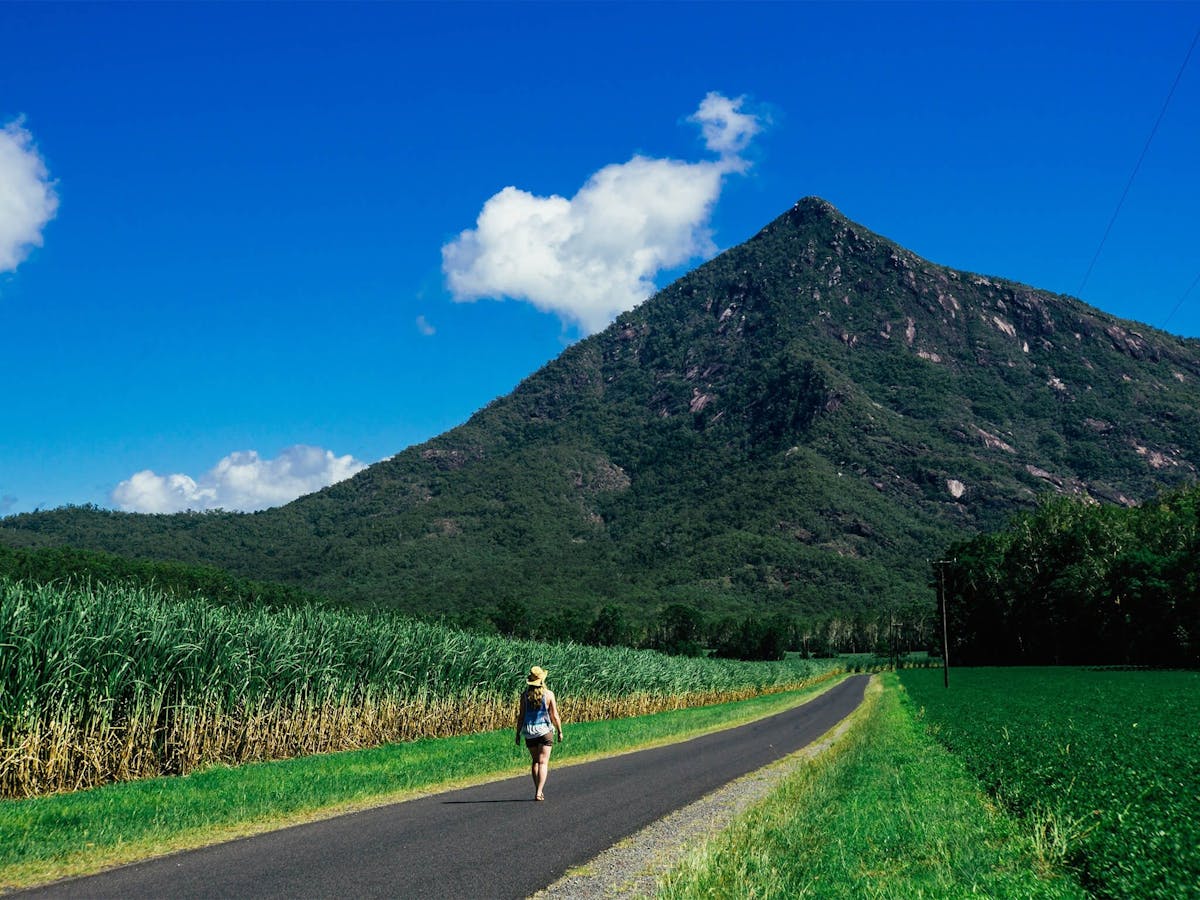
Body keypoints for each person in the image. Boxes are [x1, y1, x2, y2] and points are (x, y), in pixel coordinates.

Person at [515, 665, 563, 801]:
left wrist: (518, 734)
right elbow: (554, 715)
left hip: (529, 732)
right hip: (545, 731)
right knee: (543, 762)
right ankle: (539, 791)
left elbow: (521, 716)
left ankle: (537, 789)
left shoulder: (524, 696)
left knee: (535, 761)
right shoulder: (549, 695)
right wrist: (560, 731)